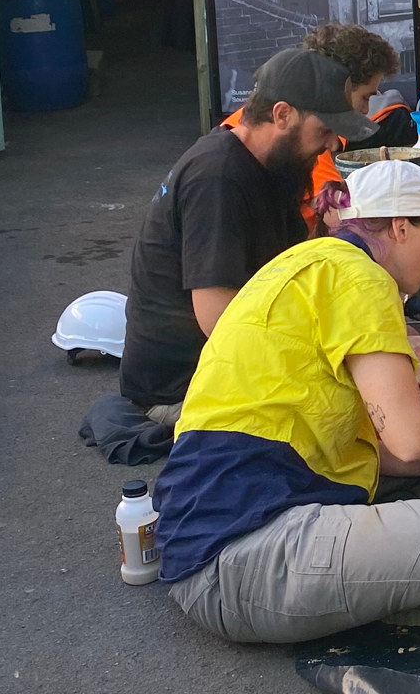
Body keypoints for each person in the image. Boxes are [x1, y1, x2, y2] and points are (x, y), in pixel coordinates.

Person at [153, 162, 420, 643]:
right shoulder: (362, 280)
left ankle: (388, 599)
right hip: (238, 560)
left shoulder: (312, 263)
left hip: (210, 540)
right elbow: (410, 439)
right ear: (399, 227)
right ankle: (398, 605)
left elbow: (382, 448)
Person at [118, 48, 376, 422]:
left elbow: (291, 268)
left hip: (224, 363)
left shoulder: (274, 163)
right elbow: (219, 318)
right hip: (184, 387)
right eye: (325, 130)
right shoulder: (217, 177)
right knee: (350, 418)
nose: (334, 145)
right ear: (282, 114)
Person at [221, 23, 418, 233]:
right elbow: (335, 218)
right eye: (365, 97)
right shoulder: (295, 141)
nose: (365, 109)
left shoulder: (274, 128)